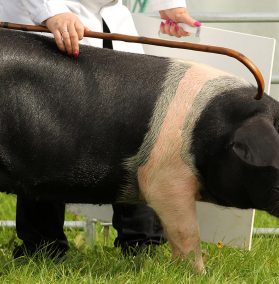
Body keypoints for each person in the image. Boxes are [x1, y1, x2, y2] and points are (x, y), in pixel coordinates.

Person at [0, 0, 201, 258]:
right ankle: (42, 247)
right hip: (44, 26)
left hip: (107, 23)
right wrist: (51, 11)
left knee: (135, 131)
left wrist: (169, 4)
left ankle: (142, 245)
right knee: (46, 137)